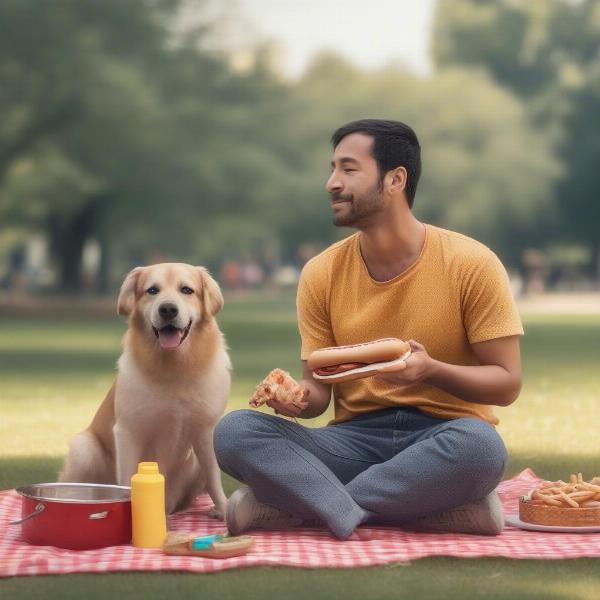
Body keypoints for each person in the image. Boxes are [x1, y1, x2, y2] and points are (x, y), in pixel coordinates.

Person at [214, 119, 523, 539]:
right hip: (352, 443)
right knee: (235, 432)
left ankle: (306, 506)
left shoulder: (472, 263)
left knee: (482, 450)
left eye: (348, 169)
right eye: (332, 169)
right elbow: (318, 391)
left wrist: (432, 370)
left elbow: (505, 384)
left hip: (443, 439)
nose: (331, 183)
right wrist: (298, 399)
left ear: (395, 179)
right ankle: (423, 508)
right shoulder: (321, 273)